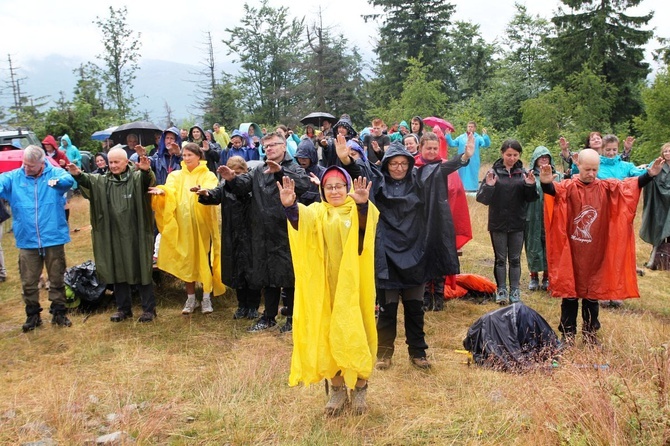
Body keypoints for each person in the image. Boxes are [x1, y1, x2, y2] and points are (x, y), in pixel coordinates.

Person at [361, 134, 475, 370]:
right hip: (388, 253)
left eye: (403, 163)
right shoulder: (379, 181)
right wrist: (347, 159)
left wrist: (464, 157)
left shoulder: (419, 178)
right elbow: (358, 169)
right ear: (386, 164)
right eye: (394, 163)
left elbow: (442, 170)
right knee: (387, 309)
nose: (399, 167)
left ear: (410, 163)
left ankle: (418, 352)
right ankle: (384, 353)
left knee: (414, 307)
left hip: (415, 251)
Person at [278, 167, 379, 415]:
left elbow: (364, 234)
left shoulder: (356, 210)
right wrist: (291, 207)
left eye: (339, 186)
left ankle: (360, 389)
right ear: (322, 190)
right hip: (324, 289)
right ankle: (336, 390)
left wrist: (363, 206)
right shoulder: (316, 212)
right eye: (329, 187)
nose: (334, 191)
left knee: (356, 330)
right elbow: (301, 225)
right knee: (326, 334)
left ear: (348, 188)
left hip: (353, 287)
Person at [539, 149, 665, 345]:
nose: (591, 173)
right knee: (570, 295)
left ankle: (590, 335)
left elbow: (629, 187)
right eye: (587, 169)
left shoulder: (605, 187)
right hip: (571, 251)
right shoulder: (569, 186)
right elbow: (553, 192)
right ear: (578, 165)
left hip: (595, 250)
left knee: (592, 294)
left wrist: (649, 175)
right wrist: (546, 182)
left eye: (595, 169)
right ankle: (568, 335)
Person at [217, 132, 311, 333]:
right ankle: (268, 316)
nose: (269, 149)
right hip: (261, 232)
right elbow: (242, 187)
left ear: (284, 146)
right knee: (267, 275)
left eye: (274, 145)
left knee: (289, 276)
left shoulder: (294, 168)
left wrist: (280, 172)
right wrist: (232, 179)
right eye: (266, 146)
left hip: (286, 231)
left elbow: (303, 186)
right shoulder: (258, 170)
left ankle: (293, 318)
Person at [67, 148, 158, 323]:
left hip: (135, 232)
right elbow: (88, 181)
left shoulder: (136, 177)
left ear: (126, 162)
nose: (113, 166)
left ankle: (149, 310)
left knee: (141, 267)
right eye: (111, 162)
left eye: (117, 162)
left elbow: (147, 180)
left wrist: (146, 170)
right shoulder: (102, 181)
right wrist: (78, 175)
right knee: (117, 268)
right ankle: (123, 309)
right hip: (112, 233)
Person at [0, 146, 75, 331]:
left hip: (53, 236)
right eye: (25, 164)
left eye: (31, 166)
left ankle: (59, 312)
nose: (27, 168)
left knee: (57, 277)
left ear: (42, 163)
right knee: (28, 281)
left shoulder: (54, 173)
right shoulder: (14, 177)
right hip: (27, 238)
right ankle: (32, 315)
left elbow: (69, 180)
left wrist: (57, 182)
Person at [149, 143, 225, 314]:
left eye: (190, 155)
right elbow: (171, 190)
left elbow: (213, 190)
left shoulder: (207, 174)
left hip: (203, 226)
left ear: (199, 156)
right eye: (184, 155)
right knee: (186, 260)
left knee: (204, 259)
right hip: (183, 226)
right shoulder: (176, 175)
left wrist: (203, 192)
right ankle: (191, 298)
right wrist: (162, 193)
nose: (186, 158)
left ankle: (206, 297)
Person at [196, 156, 261, 320]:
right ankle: (242, 305)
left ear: (245, 171)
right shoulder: (225, 185)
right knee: (238, 270)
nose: (236, 176)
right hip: (233, 233)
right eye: (233, 173)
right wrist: (205, 194)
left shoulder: (252, 185)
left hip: (252, 232)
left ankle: (253, 306)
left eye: (239, 173)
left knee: (252, 271)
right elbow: (215, 195)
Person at [413, 132, 473, 311]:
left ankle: (438, 295)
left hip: (439, 217)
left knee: (439, 253)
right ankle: (424, 296)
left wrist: (465, 156)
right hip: (420, 219)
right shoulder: (413, 166)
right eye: (428, 148)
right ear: (420, 148)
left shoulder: (441, 167)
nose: (432, 152)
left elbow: (454, 164)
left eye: (434, 148)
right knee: (422, 256)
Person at [476, 140, 539, 305]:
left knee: (515, 259)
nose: (511, 158)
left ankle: (515, 290)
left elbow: (531, 199)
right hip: (498, 222)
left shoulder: (523, 173)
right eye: (508, 154)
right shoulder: (493, 173)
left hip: (518, 222)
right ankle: (501, 289)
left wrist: (530, 186)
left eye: (515, 155)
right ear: (502, 153)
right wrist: (489, 186)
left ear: (519, 155)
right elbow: (482, 198)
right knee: (500, 258)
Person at [524, 146, 563, 292]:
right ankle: (533, 277)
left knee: (549, 246)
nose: (544, 159)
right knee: (533, 246)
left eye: (547, 156)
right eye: (541, 157)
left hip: (552, 216)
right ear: (535, 160)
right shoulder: (529, 175)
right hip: (532, 216)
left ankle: (547, 277)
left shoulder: (557, 176)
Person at [639, 142, 670, 269]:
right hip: (660, 204)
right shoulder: (658, 164)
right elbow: (649, 173)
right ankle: (654, 260)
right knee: (659, 231)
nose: (668, 153)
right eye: (666, 151)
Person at [447, 121, 491, 191]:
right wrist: (448, 136)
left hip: (474, 160)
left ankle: (473, 189)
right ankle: (461, 189)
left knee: (473, 174)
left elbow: (486, 144)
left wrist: (485, 136)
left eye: (472, 127)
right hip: (462, 159)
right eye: (469, 126)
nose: (470, 128)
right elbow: (452, 143)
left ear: (475, 128)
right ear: (467, 127)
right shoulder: (461, 137)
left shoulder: (478, 138)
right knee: (462, 174)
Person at [295, 138, 326, 205]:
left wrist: (321, 186)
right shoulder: (294, 173)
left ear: (312, 157)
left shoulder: (323, 173)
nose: (302, 160)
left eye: (305, 158)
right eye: (299, 157)